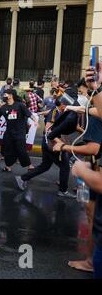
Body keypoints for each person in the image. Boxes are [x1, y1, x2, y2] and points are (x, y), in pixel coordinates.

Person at [53, 115, 102, 273]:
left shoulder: (95, 115)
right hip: (94, 169)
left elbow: (93, 148)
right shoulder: (90, 112)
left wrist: (64, 147)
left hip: (95, 173)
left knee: (93, 218)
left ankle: (91, 261)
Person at [15, 94, 71, 197]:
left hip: (47, 144)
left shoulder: (56, 110)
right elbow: (47, 130)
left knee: (45, 166)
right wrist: (59, 142)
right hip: (51, 144)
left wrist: (39, 113)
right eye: (68, 105)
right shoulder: (55, 112)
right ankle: (63, 190)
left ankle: (22, 178)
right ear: (63, 104)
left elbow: (48, 112)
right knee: (65, 166)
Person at [0, 89, 38, 172]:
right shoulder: (3, 107)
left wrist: (35, 121)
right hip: (9, 132)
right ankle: (8, 166)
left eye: (6, 94)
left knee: (21, 149)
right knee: (6, 149)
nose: (4, 95)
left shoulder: (20, 105)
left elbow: (29, 114)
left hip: (19, 132)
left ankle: (30, 165)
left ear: (11, 95)